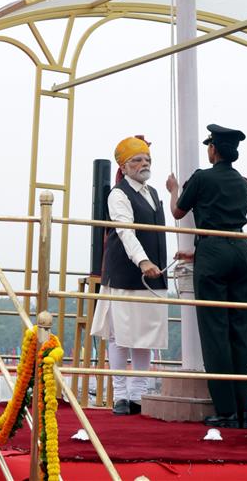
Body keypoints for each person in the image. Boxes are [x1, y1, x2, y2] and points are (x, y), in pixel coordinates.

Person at [167, 124, 247, 429]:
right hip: (242, 252)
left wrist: (173, 190)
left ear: (213, 150)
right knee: (241, 331)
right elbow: (232, 222)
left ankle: (227, 411)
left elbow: (178, 213)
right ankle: (245, 410)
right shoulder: (244, 184)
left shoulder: (202, 178)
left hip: (213, 253)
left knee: (215, 329)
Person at [91, 135, 168, 415]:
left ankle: (139, 393)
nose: (144, 164)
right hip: (126, 272)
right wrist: (143, 260)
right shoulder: (119, 194)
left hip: (153, 275)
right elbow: (125, 231)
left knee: (145, 335)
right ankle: (121, 395)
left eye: (147, 159)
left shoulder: (155, 193)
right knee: (121, 335)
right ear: (124, 166)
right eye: (137, 160)